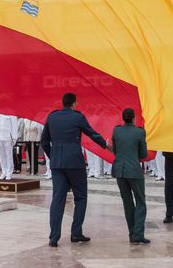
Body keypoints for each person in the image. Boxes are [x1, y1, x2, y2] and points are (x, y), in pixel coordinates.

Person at [41, 92, 107, 246]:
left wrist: (54, 155)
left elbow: (44, 141)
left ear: (62, 103)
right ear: (74, 104)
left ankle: (54, 237)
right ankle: (76, 233)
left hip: (57, 164)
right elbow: (92, 134)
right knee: (81, 197)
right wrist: (105, 145)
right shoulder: (78, 117)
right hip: (75, 163)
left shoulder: (52, 117)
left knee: (58, 200)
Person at [110, 108, 149, 244]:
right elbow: (144, 154)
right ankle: (138, 234)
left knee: (127, 203)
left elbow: (115, 150)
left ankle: (132, 233)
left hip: (120, 170)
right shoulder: (139, 132)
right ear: (134, 118)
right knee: (140, 201)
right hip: (134, 170)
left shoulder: (117, 130)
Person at [0, 113, 20, 181]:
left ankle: (9, 173)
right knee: (2, 156)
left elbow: (14, 126)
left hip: (8, 137)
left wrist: (14, 138)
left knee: (9, 156)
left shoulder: (11, 113)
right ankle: (4, 172)